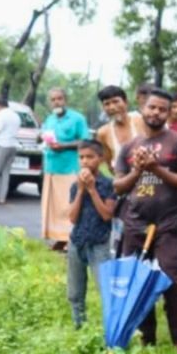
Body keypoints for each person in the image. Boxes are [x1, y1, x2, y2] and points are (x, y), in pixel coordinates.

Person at [113, 89, 177, 354]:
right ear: (142, 107)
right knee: (138, 280)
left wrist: (157, 169)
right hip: (134, 224)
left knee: (169, 278)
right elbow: (118, 186)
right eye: (152, 107)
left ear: (170, 112)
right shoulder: (128, 148)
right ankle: (147, 336)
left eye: (162, 109)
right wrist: (138, 170)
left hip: (167, 224)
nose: (156, 113)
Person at [65, 140, 116, 328]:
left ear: (100, 158)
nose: (85, 161)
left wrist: (92, 190)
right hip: (77, 241)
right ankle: (79, 325)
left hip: (99, 242)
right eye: (81, 157)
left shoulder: (108, 185)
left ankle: (110, 328)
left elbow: (106, 214)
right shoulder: (75, 186)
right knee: (75, 291)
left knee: (104, 288)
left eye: (90, 157)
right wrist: (80, 190)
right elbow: (72, 217)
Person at [40, 88, 90, 248]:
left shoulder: (77, 118)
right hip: (51, 167)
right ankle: (59, 238)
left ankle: (69, 239)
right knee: (53, 207)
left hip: (69, 168)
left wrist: (64, 146)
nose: (56, 102)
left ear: (65, 99)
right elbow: (44, 136)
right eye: (53, 99)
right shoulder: (50, 119)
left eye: (59, 98)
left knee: (68, 205)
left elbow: (85, 141)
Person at [95, 85, 146, 167]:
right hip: (123, 178)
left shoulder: (142, 121)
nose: (112, 107)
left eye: (115, 101)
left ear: (126, 102)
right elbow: (109, 162)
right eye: (107, 104)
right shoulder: (103, 133)